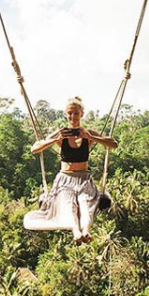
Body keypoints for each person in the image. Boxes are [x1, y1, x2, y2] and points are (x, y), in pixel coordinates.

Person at [23, 97, 118, 244]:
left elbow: (113, 145)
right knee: (68, 206)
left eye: (76, 113)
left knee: (86, 204)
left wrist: (91, 137)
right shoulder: (61, 133)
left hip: (84, 179)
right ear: (65, 114)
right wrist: (55, 140)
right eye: (70, 113)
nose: (72, 116)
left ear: (82, 114)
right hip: (65, 179)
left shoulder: (88, 133)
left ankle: (86, 231)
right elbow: (35, 149)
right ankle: (76, 231)